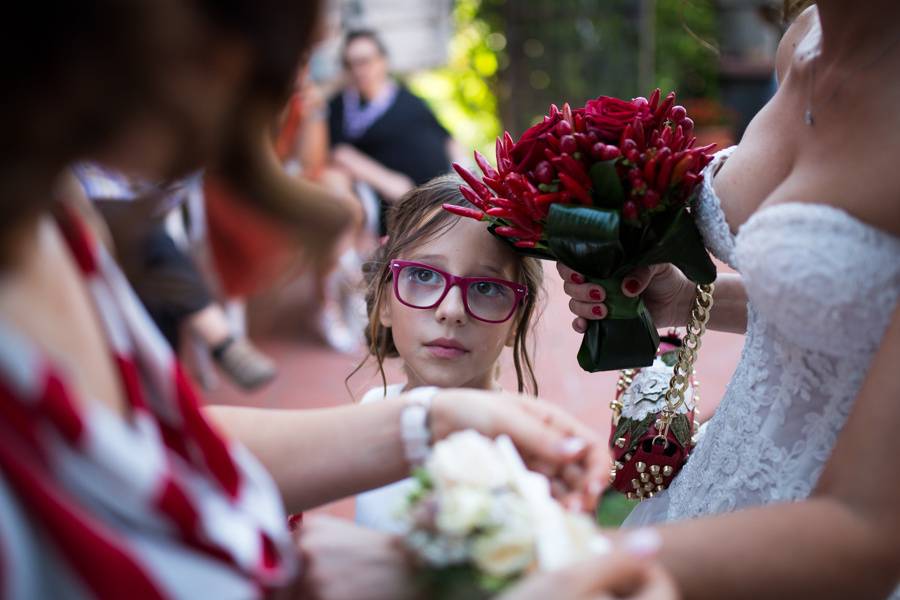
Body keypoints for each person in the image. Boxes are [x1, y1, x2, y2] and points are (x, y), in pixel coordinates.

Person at [0, 2, 653, 598]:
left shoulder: (57, 220)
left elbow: (157, 442)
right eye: (284, 29)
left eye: (484, 289)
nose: (309, 63)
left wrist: (428, 421)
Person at [559, 0, 900, 597]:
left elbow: (873, 530)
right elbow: (842, 313)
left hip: (817, 547)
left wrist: (556, 559)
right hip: (704, 494)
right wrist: (684, 298)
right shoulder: (809, 37)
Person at [351, 176, 546, 533]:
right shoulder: (371, 412)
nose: (452, 309)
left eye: (486, 287)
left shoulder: (529, 456)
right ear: (384, 304)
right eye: (424, 275)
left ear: (517, 320)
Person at [72, 163, 278, 391]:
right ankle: (217, 338)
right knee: (151, 245)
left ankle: (209, 343)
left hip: (146, 231)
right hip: (91, 216)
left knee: (155, 271)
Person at [327, 29, 462, 234]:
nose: (358, 70)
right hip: (398, 206)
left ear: (382, 61)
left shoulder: (408, 98)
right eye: (349, 64)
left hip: (442, 198)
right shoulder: (341, 106)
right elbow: (338, 151)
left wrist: (465, 179)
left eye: (364, 61)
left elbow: (448, 138)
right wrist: (386, 180)